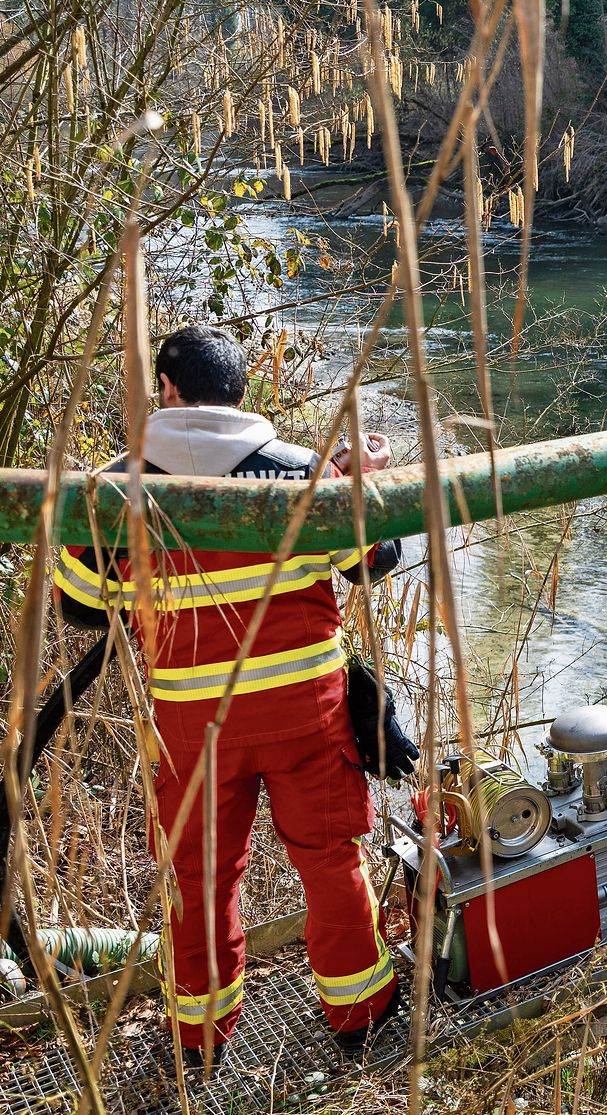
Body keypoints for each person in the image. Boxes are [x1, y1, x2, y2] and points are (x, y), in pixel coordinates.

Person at [51, 325, 404, 1069]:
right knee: (329, 859)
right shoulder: (299, 472)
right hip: (307, 713)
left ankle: (199, 1042)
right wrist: (356, 481)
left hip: (190, 728)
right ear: (244, 394)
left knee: (197, 879)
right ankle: (361, 1014)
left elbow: (80, 604)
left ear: (168, 391)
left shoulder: (121, 487)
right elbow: (376, 558)